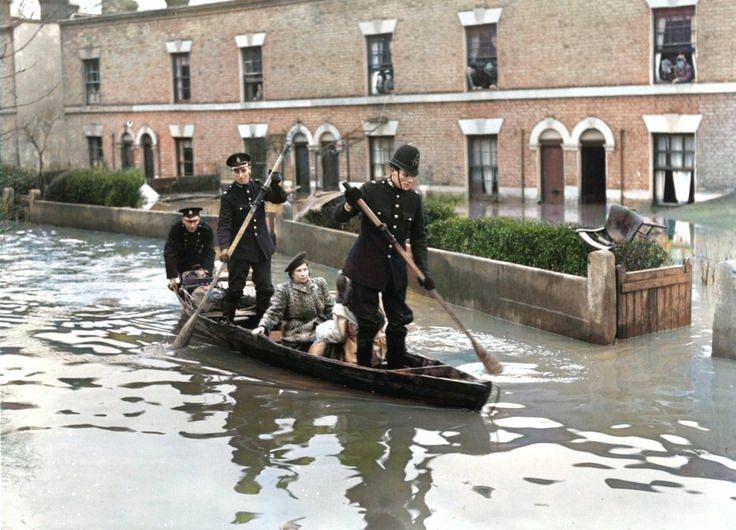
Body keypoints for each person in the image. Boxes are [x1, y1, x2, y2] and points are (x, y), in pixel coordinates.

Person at [332, 144, 435, 368]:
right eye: (406, 175)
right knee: (368, 322)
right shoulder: (371, 190)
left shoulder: (414, 200)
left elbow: (419, 238)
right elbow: (338, 216)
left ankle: (397, 364)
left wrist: (423, 271)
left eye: (413, 177)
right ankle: (365, 368)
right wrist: (349, 202)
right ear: (393, 171)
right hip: (366, 266)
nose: (409, 181)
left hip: (395, 268)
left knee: (399, 319)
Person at [218, 152, 288, 322]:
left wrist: (276, 184)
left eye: (243, 170)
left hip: (262, 248)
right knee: (235, 289)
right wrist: (225, 248)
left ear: (249, 168)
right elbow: (224, 225)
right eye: (236, 171)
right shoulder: (228, 197)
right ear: (233, 173)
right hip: (240, 250)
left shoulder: (259, 188)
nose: (240, 175)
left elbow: (279, 199)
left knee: (265, 288)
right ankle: (227, 321)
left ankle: (262, 323)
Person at [253, 252, 334, 351]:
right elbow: (274, 312)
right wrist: (263, 326)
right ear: (292, 274)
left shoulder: (320, 283)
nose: (303, 274)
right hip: (298, 332)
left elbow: (330, 307)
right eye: (299, 271)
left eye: (305, 270)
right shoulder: (284, 289)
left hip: (321, 327)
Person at [310, 273, 386, 365]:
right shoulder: (376, 298)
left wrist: (320, 332)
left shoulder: (341, 308)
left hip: (355, 355)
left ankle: (312, 362)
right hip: (377, 350)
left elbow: (339, 336)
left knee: (321, 338)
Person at [164, 207, 215, 292]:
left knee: (205, 285)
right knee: (182, 288)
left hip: (200, 261)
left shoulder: (206, 229)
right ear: (183, 221)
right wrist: (172, 277)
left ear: (199, 220)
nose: (192, 225)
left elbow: (209, 251)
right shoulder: (176, 229)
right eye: (189, 222)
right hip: (182, 262)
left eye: (195, 221)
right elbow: (170, 252)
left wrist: (207, 271)